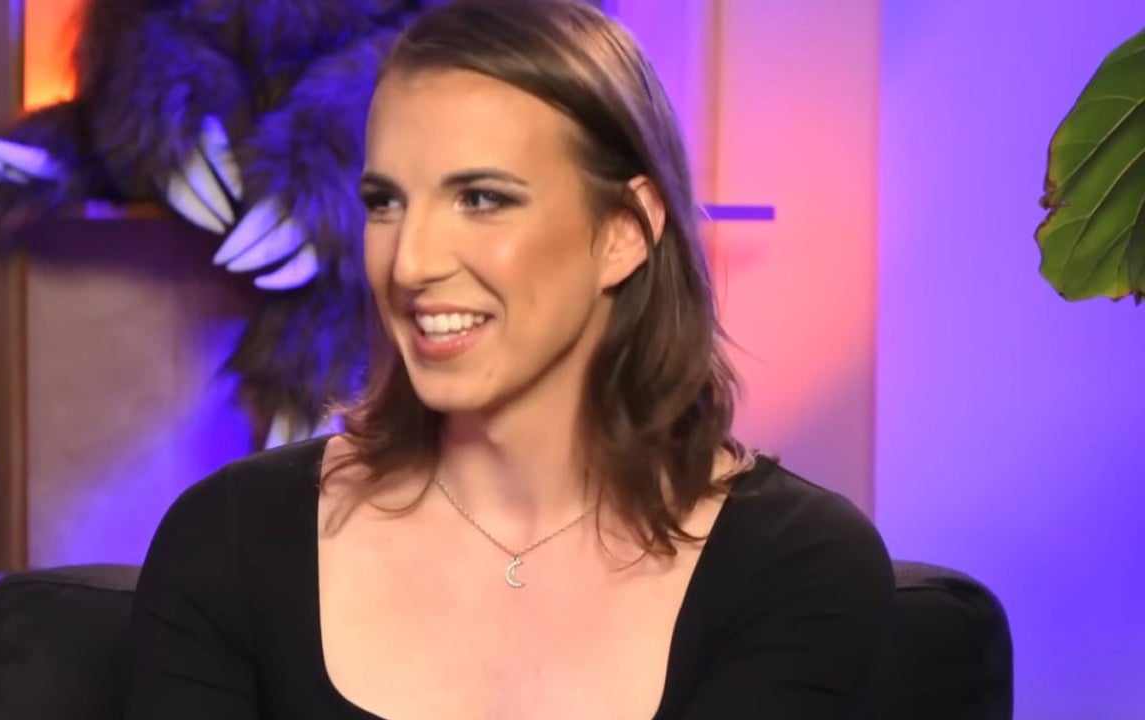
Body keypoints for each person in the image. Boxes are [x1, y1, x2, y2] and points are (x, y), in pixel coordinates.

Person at [124, 0, 895, 717]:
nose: (410, 262)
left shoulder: (799, 565)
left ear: (624, 231)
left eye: (482, 199)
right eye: (386, 202)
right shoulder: (229, 538)